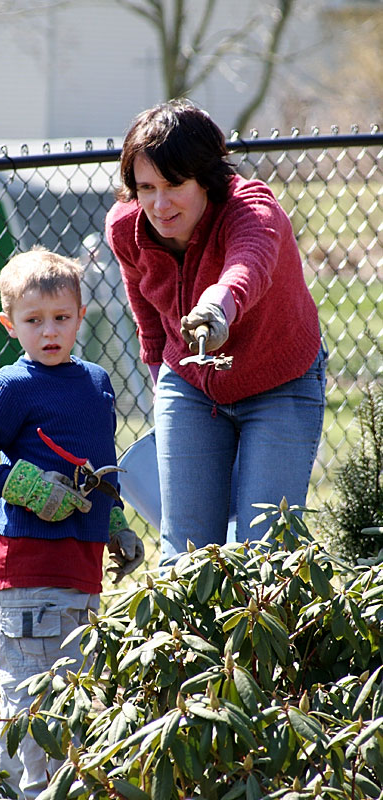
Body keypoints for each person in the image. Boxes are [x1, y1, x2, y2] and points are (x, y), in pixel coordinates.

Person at [0, 246, 144, 799]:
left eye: (61, 318)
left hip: (81, 568)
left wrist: (114, 524)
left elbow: (95, 467)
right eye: (34, 321)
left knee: (71, 696)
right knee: (34, 700)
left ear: (82, 315)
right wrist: (30, 488)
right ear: (11, 325)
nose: (50, 331)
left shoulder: (96, 383)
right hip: (28, 567)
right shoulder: (13, 385)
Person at [105, 99, 327, 565]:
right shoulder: (127, 228)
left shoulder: (251, 210)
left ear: (206, 178)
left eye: (174, 184)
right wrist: (161, 389)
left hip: (279, 382)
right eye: (146, 187)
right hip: (188, 384)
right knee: (185, 553)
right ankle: (183, 640)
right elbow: (147, 318)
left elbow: (249, 265)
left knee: (266, 552)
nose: (159, 205)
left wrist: (217, 309)